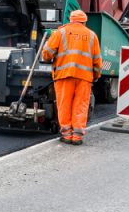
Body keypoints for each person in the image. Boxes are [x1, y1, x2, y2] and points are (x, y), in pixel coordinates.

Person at [41, 9, 103, 145]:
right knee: (80, 105)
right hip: (84, 77)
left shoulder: (61, 32)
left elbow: (47, 52)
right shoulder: (92, 35)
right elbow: (97, 60)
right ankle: (77, 137)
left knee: (64, 105)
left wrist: (47, 58)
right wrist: (97, 75)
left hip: (64, 75)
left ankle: (66, 135)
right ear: (84, 21)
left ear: (71, 20)